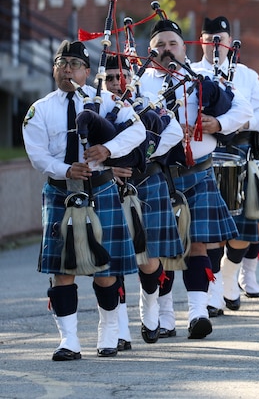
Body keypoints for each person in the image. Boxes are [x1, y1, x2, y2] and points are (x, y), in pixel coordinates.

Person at [22, 40, 147, 360]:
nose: (67, 69)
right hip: (62, 191)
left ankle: (108, 331)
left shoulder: (105, 102)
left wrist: (107, 150)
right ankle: (69, 340)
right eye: (62, 63)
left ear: (88, 72)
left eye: (75, 64)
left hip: (100, 188)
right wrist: (66, 168)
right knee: (62, 271)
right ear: (54, 69)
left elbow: (137, 132)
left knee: (105, 271)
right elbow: (37, 156)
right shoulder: (40, 108)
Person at [141, 18, 252, 340]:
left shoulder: (202, 77)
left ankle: (197, 312)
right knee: (160, 249)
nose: (166, 50)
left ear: (183, 46)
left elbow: (242, 110)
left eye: (172, 43)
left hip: (198, 171)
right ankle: (163, 315)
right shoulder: (140, 83)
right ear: (150, 50)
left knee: (197, 245)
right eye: (160, 45)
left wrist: (216, 124)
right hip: (157, 176)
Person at [192, 16, 259, 314]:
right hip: (206, 155)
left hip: (242, 152)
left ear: (230, 43)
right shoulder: (190, 74)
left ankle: (230, 274)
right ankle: (214, 288)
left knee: (243, 231)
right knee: (209, 232)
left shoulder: (245, 75)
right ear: (202, 41)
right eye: (210, 39)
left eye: (221, 39)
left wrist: (237, 121)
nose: (216, 45)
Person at [101, 55, 186, 345]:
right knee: (114, 261)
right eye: (109, 78)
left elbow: (173, 131)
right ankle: (120, 329)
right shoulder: (94, 105)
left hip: (147, 181)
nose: (115, 83)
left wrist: (142, 155)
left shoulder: (148, 101)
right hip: (107, 186)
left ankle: (150, 306)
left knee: (148, 259)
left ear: (131, 77)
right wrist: (108, 167)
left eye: (120, 76)